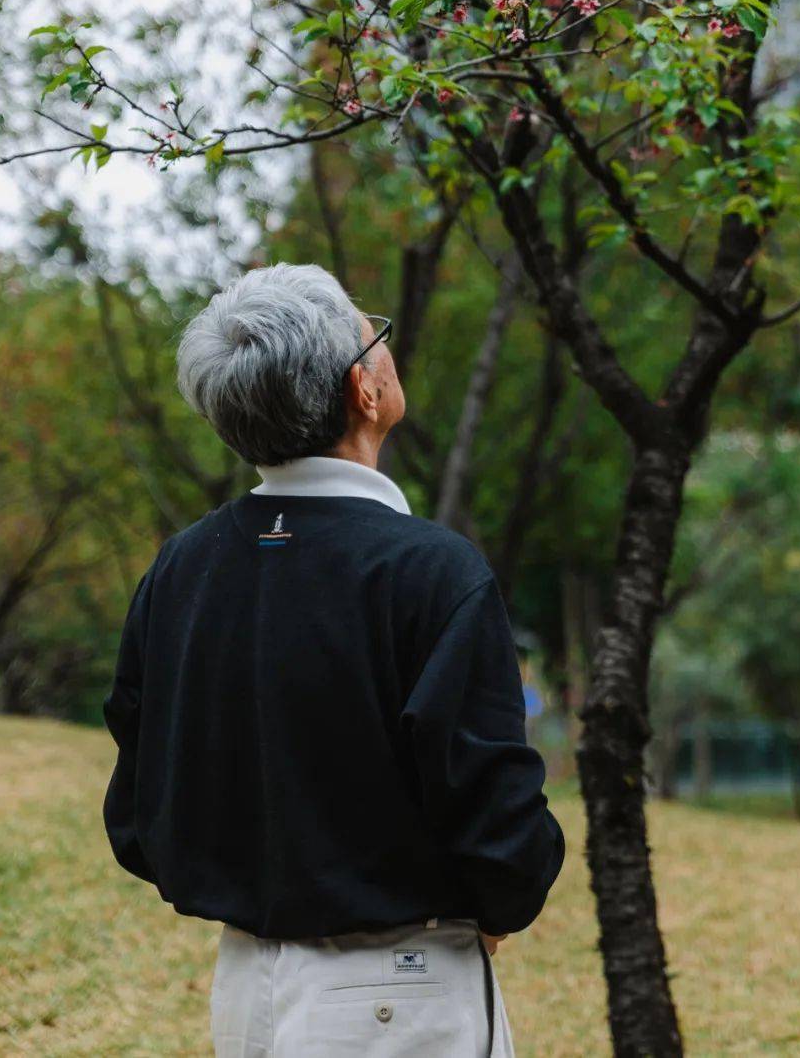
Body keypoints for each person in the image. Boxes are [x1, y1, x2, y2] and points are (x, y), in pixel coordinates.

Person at [101, 262, 566, 1057]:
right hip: (406, 988)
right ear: (367, 390)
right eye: (375, 337)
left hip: (246, 984)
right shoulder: (432, 571)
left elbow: (138, 812)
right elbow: (496, 814)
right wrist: (499, 903)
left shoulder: (181, 567)